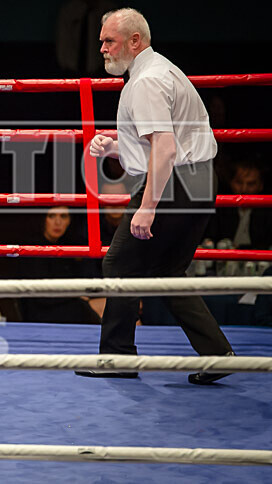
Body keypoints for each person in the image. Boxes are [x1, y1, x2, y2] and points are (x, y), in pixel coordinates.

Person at [76, 8, 234, 383]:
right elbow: (163, 142)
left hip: (173, 185)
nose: (102, 48)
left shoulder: (146, 81)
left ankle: (118, 359)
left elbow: (164, 150)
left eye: (108, 41)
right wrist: (118, 146)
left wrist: (146, 208)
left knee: (119, 266)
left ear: (135, 41)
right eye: (101, 41)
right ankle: (218, 353)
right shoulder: (162, 70)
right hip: (198, 180)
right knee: (166, 272)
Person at [17, 206, 101, 324]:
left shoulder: (69, 245)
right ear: (43, 219)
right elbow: (40, 295)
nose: (58, 222)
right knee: (96, 308)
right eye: (52, 216)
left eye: (63, 216)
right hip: (42, 311)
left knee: (111, 307)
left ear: (69, 221)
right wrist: (75, 294)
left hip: (66, 304)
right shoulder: (32, 248)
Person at [205, 158, 272, 250]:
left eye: (251, 184)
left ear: (261, 185)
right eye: (239, 182)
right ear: (231, 182)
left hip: (258, 262)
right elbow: (210, 240)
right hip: (225, 260)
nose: (244, 189)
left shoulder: (267, 212)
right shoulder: (221, 208)